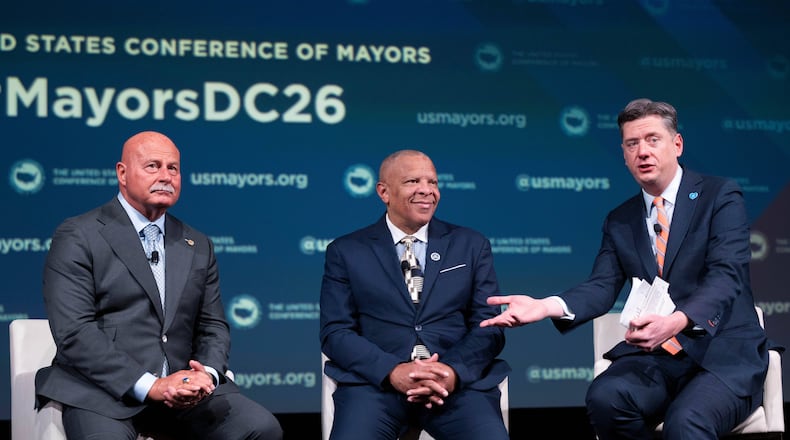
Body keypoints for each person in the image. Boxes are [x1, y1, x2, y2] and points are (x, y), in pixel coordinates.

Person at [481, 98, 773, 439]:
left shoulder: (719, 196)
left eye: (653, 139)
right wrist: (545, 306)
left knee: (686, 422)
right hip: (659, 359)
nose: (643, 152)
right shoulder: (621, 220)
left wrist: (675, 322)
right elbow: (602, 287)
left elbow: (726, 276)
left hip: (721, 355)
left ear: (677, 144)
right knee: (606, 398)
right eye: (632, 144)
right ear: (623, 154)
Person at [35, 131, 283, 440]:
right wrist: (150, 385)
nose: (165, 176)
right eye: (153, 166)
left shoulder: (197, 243)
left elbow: (213, 326)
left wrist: (203, 375)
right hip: (104, 393)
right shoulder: (79, 234)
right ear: (122, 174)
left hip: (184, 396)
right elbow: (75, 332)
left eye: (173, 168)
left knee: (260, 429)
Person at [320, 150, 510, 440]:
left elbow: (489, 328)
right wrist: (393, 371)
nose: (426, 190)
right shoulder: (346, 251)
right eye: (413, 181)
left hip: (453, 388)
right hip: (377, 388)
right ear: (384, 191)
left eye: (432, 182)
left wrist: (450, 371)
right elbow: (336, 332)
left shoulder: (470, 244)